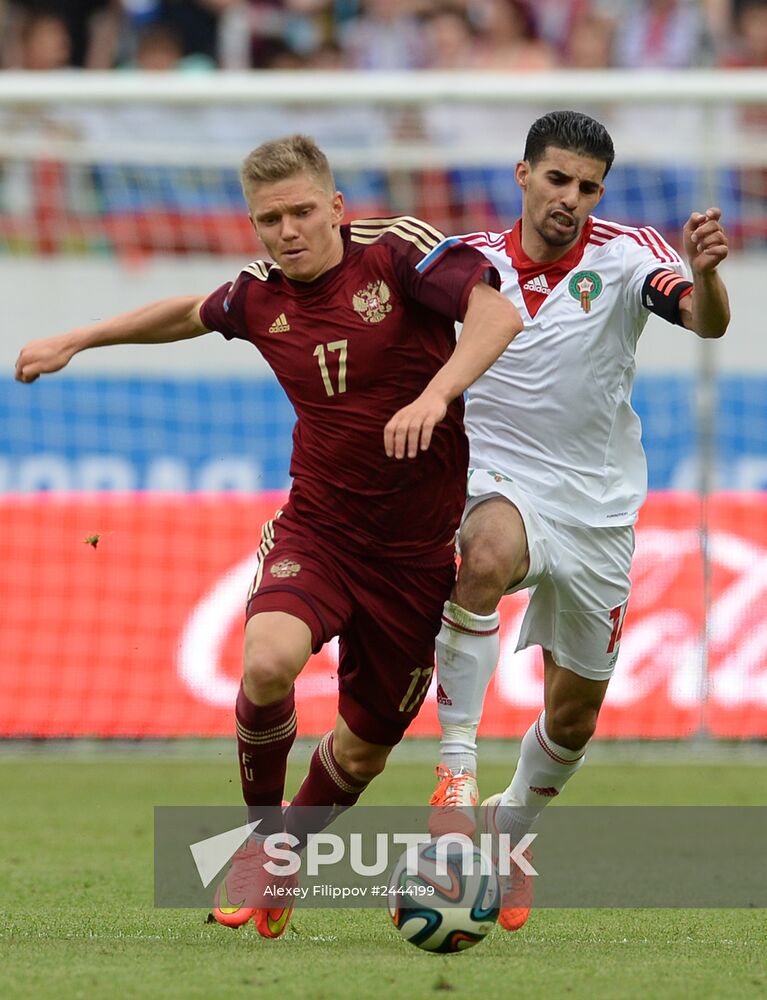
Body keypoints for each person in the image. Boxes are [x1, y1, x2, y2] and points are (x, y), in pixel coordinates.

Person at [15, 134, 522, 939]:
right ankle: (262, 845)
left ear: (335, 208)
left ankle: (288, 851)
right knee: (266, 660)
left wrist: (436, 395)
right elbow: (184, 312)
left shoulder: (398, 254)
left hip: (414, 559)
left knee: (358, 756)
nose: (285, 232)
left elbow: (498, 311)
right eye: (267, 220)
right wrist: (77, 339)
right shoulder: (258, 295)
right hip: (319, 529)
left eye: (298, 213)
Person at [427, 110, 730, 932]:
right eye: (555, 179)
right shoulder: (466, 265)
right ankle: (455, 773)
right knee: (483, 555)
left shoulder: (630, 254)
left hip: (595, 507)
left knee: (573, 716)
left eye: (586, 186)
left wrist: (705, 274)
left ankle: (507, 826)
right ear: (521, 174)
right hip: (494, 476)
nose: (569, 198)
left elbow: (704, 319)